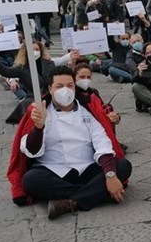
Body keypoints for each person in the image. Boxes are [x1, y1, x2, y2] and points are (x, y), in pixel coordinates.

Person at [9, 66, 132, 217]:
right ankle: (97, 193)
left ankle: (70, 202)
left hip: (87, 167)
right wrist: (38, 128)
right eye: (59, 86)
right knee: (31, 180)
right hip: (54, 169)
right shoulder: (40, 112)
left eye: (69, 85)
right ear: (51, 89)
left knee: (123, 166)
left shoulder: (87, 110)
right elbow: (31, 150)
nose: (65, 90)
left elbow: (102, 142)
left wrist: (110, 175)